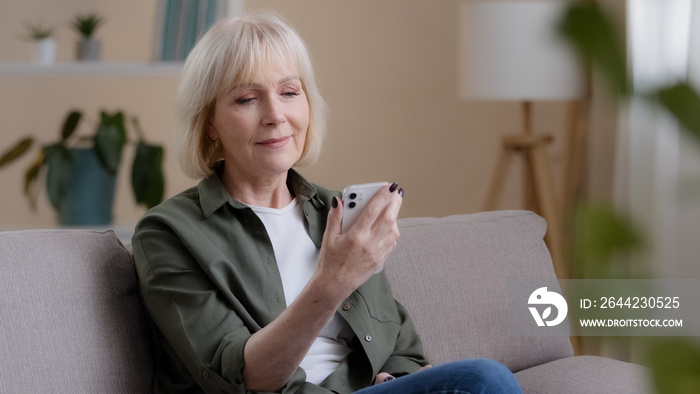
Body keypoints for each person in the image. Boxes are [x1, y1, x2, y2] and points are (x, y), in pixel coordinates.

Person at [132, 11, 523, 394]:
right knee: (484, 380)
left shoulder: (336, 212)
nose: (276, 115)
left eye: (289, 92)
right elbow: (245, 379)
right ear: (210, 123)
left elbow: (402, 349)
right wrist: (335, 280)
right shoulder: (169, 234)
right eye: (247, 99)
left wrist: (398, 376)